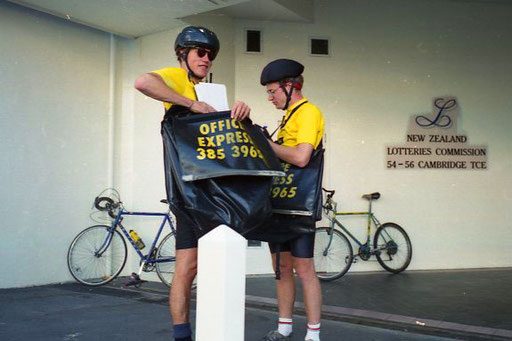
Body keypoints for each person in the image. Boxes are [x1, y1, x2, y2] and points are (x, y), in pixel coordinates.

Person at [134, 26, 250, 341]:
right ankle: (182, 335)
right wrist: (190, 103)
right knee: (187, 265)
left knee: (199, 263)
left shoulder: (209, 90)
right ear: (183, 54)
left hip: (212, 189)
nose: (207, 59)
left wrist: (238, 113)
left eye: (211, 54)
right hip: (188, 190)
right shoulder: (176, 77)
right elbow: (143, 82)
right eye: (201, 52)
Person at [260, 59, 325, 341]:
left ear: (290, 86)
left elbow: (301, 157)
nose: (270, 97)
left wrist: (268, 145)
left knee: (304, 268)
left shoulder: (309, 112)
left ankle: (313, 334)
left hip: (299, 205)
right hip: (279, 203)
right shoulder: (288, 116)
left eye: (273, 91)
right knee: (281, 268)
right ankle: (284, 327)